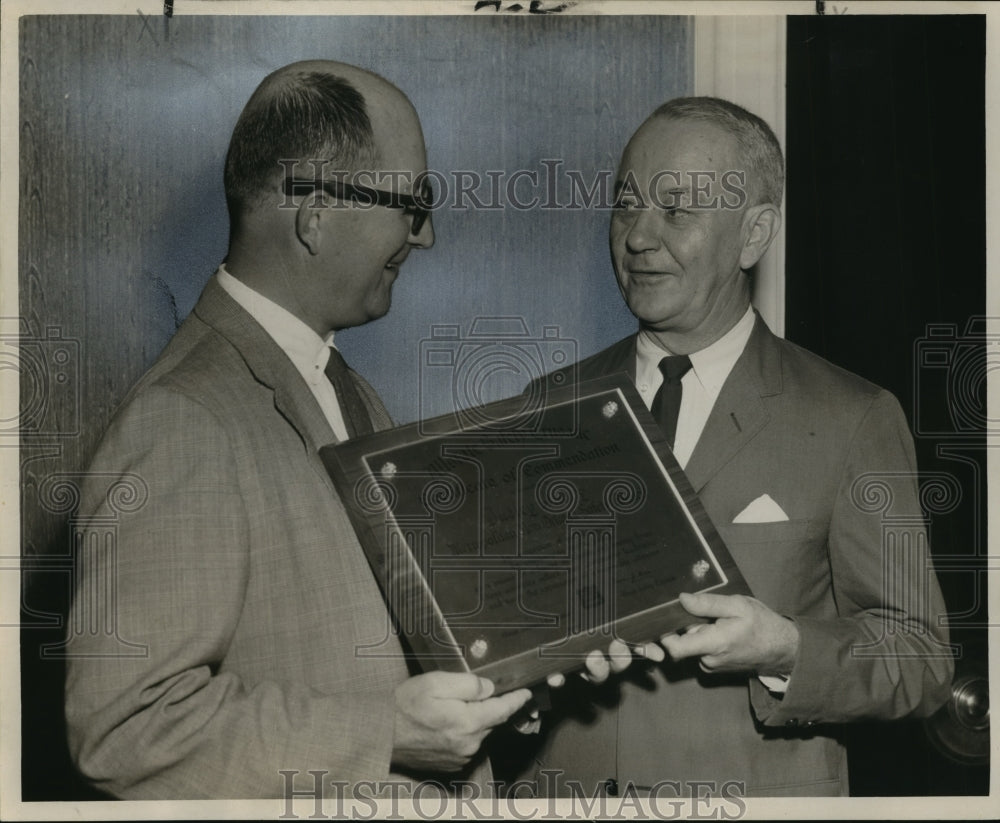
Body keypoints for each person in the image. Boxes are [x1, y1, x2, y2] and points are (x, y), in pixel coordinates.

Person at [62, 60, 625, 801]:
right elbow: (123, 728)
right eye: (412, 205)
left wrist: (517, 679)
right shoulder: (183, 420)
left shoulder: (350, 394)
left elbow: (391, 664)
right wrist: (385, 730)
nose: (425, 237)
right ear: (316, 212)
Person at [517, 97, 954, 798]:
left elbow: (922, 657)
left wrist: (787, 649)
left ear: (753, 235)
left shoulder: (852, 416)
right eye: (626, 205)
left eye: (677, 211)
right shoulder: (549, 403)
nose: (638, 237)